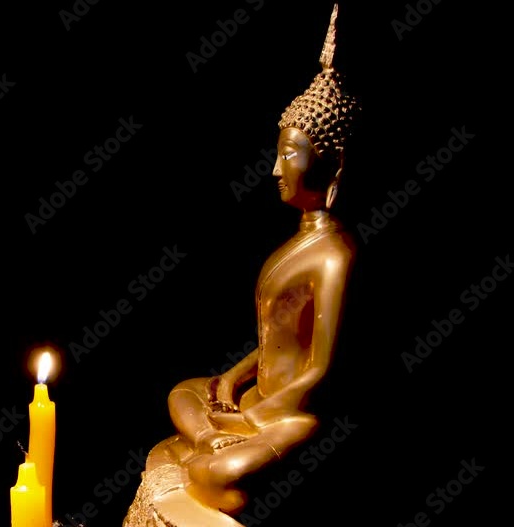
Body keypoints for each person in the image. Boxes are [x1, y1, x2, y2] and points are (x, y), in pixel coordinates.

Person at [124, 5, 361, 525]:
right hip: (255, 400)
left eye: (290, 155)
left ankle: (207, 452)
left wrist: (257, 417)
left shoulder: (335, 255)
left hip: (293, 414)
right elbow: (275, 341)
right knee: (185, 390)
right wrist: (231, 380)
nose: (276, 169)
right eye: (278, 153)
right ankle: (206, 439)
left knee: (216, 477)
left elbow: (321, 369)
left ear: (331, 162)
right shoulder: (297, 242)